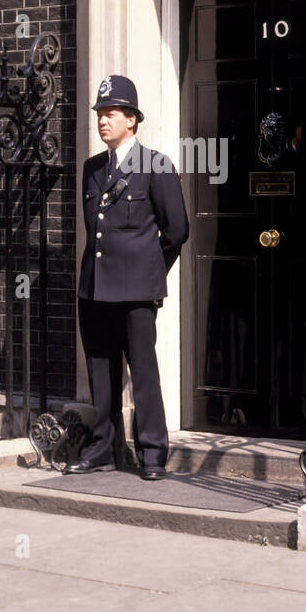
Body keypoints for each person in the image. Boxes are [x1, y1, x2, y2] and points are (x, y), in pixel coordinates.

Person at [69, 74, 189, 480]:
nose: (104, 120)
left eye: (112, 113)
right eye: (101, 114)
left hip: (136, 290)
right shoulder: (91, 169)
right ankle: (103, 447)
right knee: (101, 372)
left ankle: (153, 452)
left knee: (143, 372)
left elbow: (178, 229)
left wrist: (150, 270)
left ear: (132, 120)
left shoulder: (156, 165)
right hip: (95, 288)